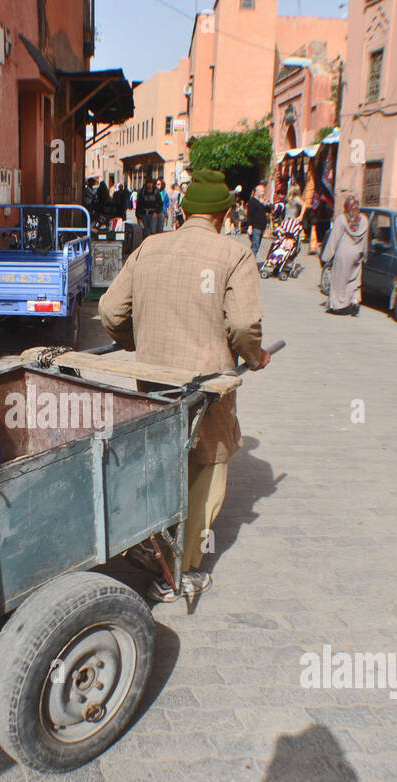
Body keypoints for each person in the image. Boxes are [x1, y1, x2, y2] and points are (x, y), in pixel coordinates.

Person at [98, 168, 272, 602]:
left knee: (160, 459)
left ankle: (148, 537)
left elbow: (110, 312)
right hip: (206, 387)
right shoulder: (234, 254)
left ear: (185, 210)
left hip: (153, 382)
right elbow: (245, 325)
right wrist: (255, 356)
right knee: (207, 469)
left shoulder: (149, 248)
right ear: (223, 214)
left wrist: (138, 342)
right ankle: (178, 569)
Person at [321, 194, 368, 316]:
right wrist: (364, 253)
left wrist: (326, 257)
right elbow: (365, 239)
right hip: (357, 253)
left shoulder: (342, 219)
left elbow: (334, 239)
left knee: (339, 281)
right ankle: (355, 300)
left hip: (343, 253)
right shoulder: (364, 220)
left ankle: (338, 306)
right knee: (354, 279)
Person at [245, 182, 272, 261]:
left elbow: (269, 210)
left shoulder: (261, 202)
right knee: (255, 246)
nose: (263, 193)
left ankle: (250, 261)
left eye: (264, 191)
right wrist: (250, 226)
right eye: (262, 191)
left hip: (261, 227)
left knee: (257, 246)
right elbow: (249, 214)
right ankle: (251, 263)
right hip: (255, 227)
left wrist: (265, 203)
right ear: (257, 192)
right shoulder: (252, 201)